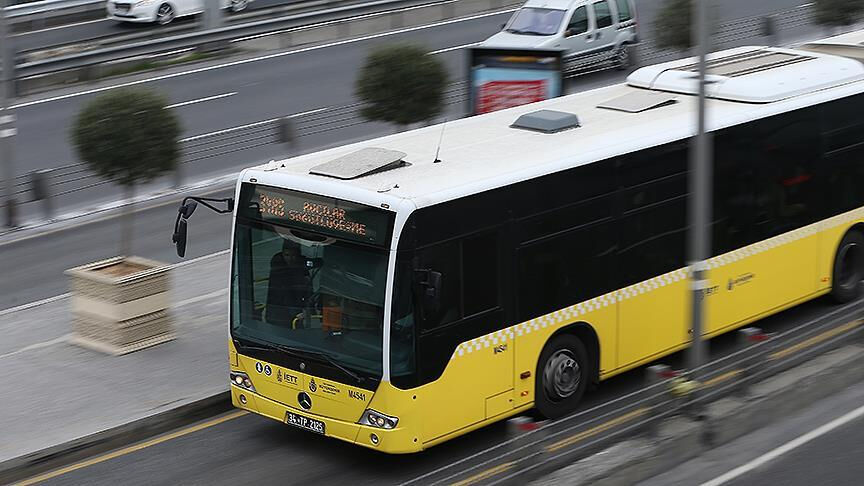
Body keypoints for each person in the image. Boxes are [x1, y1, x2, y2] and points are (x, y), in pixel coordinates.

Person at [265, 241, 311, 327]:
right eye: (286, 255)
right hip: (279, 313)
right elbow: (285, 293)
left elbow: (307, 287)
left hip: (293, 309)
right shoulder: (279, 269)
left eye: (293, 255)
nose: (290, 259)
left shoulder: (299, 265)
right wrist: (296, 313)